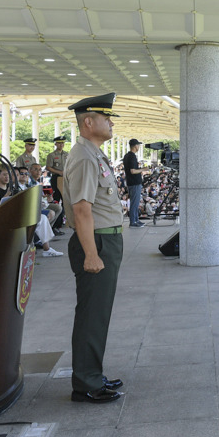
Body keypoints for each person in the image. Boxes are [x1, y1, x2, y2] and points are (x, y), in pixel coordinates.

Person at [63, 92, 126, 403]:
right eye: (106, 118)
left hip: (105, 238)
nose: (111, 123)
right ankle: (86, 382)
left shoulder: (93, 154)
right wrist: (91, 253)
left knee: (98, 313)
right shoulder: (85, 158)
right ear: (88, 123)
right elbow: (82, 210)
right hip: (97, 241)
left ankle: (92, 373)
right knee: (92, 314)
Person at [123, 139, 149, 228]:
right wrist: (143, 169)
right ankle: (133, 222)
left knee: (135, 202)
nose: (138, 147)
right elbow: (133, 171)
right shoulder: (132, 156)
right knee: (135, 203)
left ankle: (136, 220)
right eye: (138, 145)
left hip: (130, 182)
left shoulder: (126, 156)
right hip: (134, 183)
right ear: (135, 146)